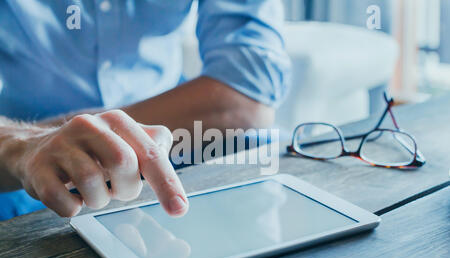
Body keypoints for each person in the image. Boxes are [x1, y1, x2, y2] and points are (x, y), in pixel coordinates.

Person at [0, 0, 291, 220]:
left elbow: (247, 91)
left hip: (180, 136)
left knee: (268, 153)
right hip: (28, 158)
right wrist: (22, 144)